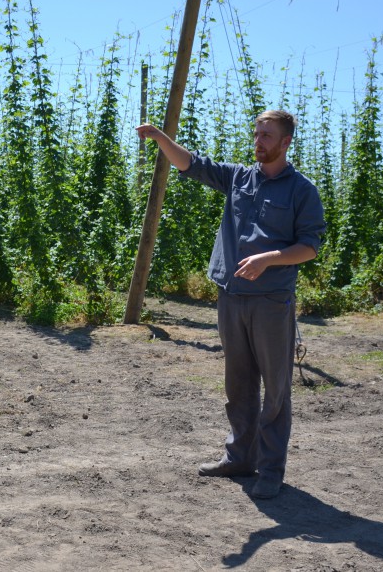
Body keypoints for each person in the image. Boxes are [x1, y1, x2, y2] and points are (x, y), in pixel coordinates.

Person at [136, 109, 326, 499]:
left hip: (272, 303)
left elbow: (309, 246)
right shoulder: (239, 177)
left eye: (267, 136)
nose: (258, 142)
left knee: (275, 391)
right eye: (257, 134)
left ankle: (270, 470)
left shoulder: (301, 190)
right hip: (231, 298)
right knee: (238, 384)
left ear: (286, 142)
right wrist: (159, 137)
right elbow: (193, 165)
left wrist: (268, 258)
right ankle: (240, 457)